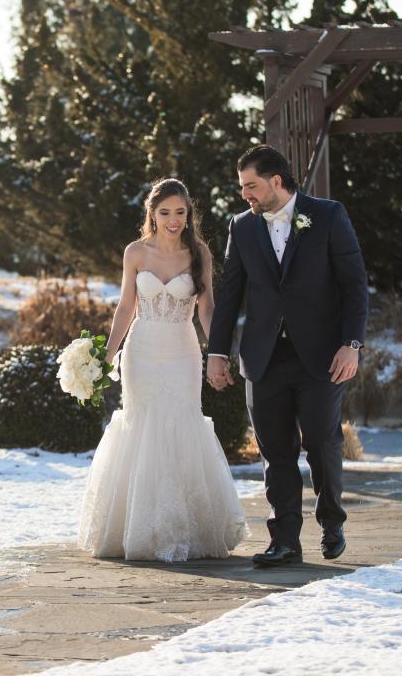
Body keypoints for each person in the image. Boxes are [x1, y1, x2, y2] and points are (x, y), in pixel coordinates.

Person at [207, 144, 368, 567]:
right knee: (275, 452)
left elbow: (354, 286)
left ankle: (332, 522)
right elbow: (230, 297)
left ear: (276, 181)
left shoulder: (329, 215)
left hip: (322, 357)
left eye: (251, 186)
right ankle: (285, 542)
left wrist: (351, 345)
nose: (246, 195)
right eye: (242, 187)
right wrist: (217, 352)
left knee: (322, 442)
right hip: (263, 358)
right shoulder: (241, 227)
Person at [78, 178, 248, 562]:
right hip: (141, 352)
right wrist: (107, 356)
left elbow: (207, 308)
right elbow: (125, 307)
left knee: (182, 424)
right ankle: (137, 528)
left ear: (189, 215)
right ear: (152, 214)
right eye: (166, 213)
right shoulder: (135, 252)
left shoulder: (198, 253)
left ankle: (184, 528)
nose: (174, 220)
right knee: (142, 426)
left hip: (183, 350)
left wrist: (217, 352)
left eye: (181, 213)